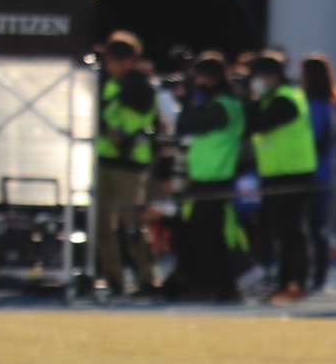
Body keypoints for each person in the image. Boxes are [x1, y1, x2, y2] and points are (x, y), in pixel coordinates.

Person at [171, 56, 248, 303]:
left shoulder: (222, 104)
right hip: (207, 177)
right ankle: (218, 286)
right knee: (206, 235)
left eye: (200, 78)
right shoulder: (221, 102)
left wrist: (186, 99)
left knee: (206, 237)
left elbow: (192, 124)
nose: (198, 83)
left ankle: (216, 287)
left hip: (215, 178)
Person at [245, 55, 319, 302]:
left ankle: (296, 283)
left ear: (271, 77)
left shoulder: (286, 99)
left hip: (293, 173)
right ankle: (285, 282)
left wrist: (249, 100)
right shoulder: (272, 98)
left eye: (257, 76)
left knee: (292, 232)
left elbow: (257, 125)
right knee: (283, 232)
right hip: (277, 173)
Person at [94, 35, 161, 296]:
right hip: (104, 159)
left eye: (114, 61)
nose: (109, 66)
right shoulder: (105, 83)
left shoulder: (142, 86)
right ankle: (114, 278)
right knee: (103, 226)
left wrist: (118, 134)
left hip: (130, 163)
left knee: (132, 224)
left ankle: (148, 279)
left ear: (129, 61)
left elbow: (137, 118)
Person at [301, 55, 336, 291]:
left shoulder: (310, 104)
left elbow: (316, 140)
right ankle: (319, 274)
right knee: (319, 227)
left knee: (309, 226)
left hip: (311, 171)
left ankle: (312, 273)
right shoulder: (328, 104)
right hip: (326, 172)